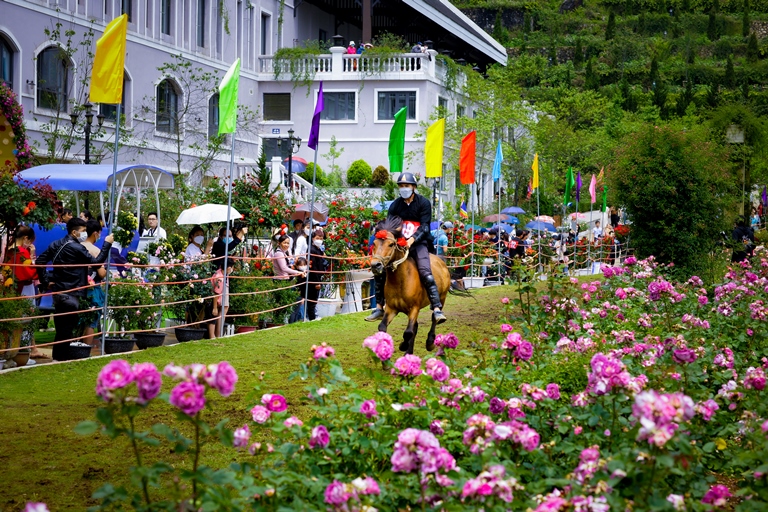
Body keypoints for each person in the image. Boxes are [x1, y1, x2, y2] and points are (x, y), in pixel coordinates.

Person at [365, 172, 447, 324]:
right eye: (401, 186)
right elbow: (390, 226)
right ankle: (379, 307)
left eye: (407, 186)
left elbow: (425, 226)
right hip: (398, 245)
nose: (404, 188)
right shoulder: (395, 205)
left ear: (413, 187)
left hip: (419, 243)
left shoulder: (423, 203)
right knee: (380, 269)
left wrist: (412, 239)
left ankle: (436, 308)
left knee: (425, 271)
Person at [36, 218, 114, 361]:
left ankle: (57, 359)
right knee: (66, 330)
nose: (85, 233)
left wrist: (45, 281)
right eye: (83, 231)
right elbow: (97, 262)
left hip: (58, 292)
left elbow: (39, 261)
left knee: (61, 329)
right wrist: (107, 244)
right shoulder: (76, 247)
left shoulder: (55, 244)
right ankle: (61, 359)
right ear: (74, 232)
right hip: (71, 292)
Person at [4, 226, 44, 359]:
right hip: (25, 288)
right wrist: (32, 257)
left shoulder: (8, 251)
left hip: (12, 287)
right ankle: (23, 351)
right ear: (25, 238)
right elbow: (29, 272)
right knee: (26, 316)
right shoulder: (21, 252)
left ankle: (24, 349)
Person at [80, 220, 108, 347]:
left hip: (77, 286)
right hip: (92, 289)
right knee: (90, 321)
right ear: (96, 233)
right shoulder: (95, 251)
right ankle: (86, 350)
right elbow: (101, 273)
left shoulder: (77, 246)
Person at [306, 229, 328, 321]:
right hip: (313, 278)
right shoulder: (311, 249)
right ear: (313, 238)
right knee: (312, 299)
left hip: (318, 276)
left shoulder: (318, 250)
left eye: (321, 238)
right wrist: (316, 282)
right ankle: (311, 318)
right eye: (317, 238)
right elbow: (313, 267)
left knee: (314, 299)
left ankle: (312, 316)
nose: (319, 240)